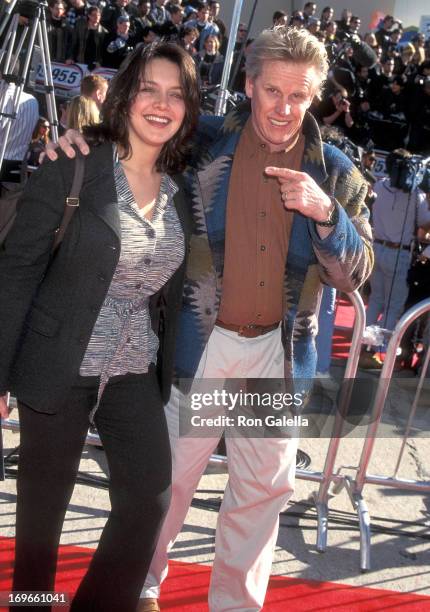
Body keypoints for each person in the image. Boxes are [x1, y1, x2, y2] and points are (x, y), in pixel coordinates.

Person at [48, 26, 373, 612]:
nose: (283, 107)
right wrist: (76, 140)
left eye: (298, 96)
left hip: (273, 359)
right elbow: (136, 141)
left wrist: (328, 216)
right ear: (249, 85)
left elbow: (357, 273)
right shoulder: (206, 142)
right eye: (272, 91)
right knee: (167, 480)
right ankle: (141, 587)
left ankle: (236, 605)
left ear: (315, 96)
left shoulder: (337, 172)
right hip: (204, 345)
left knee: (258, 494)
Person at [0, 40, 200, 612]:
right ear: (124, 96)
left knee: (148, 499)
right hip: (57, 361)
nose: (161, 105)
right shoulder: (76, 164)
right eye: (149, 90)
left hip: (134, 367)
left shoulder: (177, 193)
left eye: (177, 94)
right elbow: (15, 272)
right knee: (42, 519)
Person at [363, 149, 430, 365]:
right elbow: (425, 223)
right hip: (397, 252)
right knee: (393, 305)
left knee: (376, 300)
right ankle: (380, 351)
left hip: (378, 248)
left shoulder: (380, 185)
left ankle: (364, 347)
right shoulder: (415, 194)